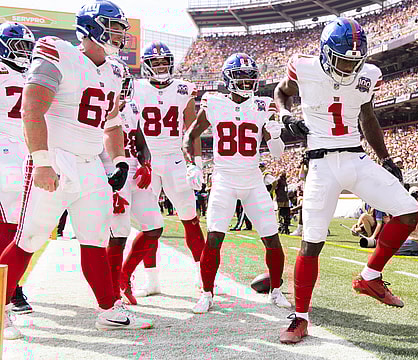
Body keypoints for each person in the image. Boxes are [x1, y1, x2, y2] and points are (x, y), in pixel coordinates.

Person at [0, 0, 153, 340]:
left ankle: (108, 309)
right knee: (29, 237)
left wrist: (119, 161)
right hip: (56, 158)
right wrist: (41, 161)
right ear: (91, 26)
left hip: (89, 164)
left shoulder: (114, 70)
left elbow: (112, 122)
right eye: (112, 25)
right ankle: (0, 308)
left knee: (95, 238)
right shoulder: (57, 52)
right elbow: (31, 109)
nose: (120, 33)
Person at [274, 17, 418, 344]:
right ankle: (300, 318)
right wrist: (286, 117)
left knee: (409, 211)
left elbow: (368, 116)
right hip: (321, 164)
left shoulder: (368, 75)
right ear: (326, 54)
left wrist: (386, 159)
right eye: (342, 59)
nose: (349, 67)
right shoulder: (304, 66)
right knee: (312, 242)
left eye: (355, 61)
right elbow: (281, 93)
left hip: (355, 157)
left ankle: (370, 277)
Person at [183, 52, 291, 313]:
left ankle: (276, 291)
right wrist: (192, 164)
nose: (245, 82)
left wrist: (275, 136)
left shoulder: (263, 105)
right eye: (240, 77)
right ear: (228, 79)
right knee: (214, 239)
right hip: (225, 179)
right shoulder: (214, 103)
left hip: (253, 180)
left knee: (272, 238)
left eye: (249, 78)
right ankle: (207, 293)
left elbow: (276, 152)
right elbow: (190, 136)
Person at [132, 41, 205, 297]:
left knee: (190, 218)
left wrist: (195, 162)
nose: (161, 66)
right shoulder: (135, 88)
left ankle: (202, 275)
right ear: (147, 66)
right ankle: (151, 280)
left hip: (174, 158)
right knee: (148, 222)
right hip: (147, 160)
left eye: (165, 62)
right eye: (156, 62)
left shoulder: (183, 89)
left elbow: (191, 129)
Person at [101, 59, 164, 306]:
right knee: (119, 232)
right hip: (112, 171)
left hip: (135, 172)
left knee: (154, 226)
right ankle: (113, 286)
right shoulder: (98, 105)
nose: (122, 88)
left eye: (124, 83)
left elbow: (140, 141)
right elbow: (94, 148)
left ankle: (124, 275)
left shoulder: (133, 108)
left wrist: (146, 162)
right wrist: (107, 184)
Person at [0, 22, 35, 317]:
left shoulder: (30, 74)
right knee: (12, 221)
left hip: (26, 148)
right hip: (4, 147)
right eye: (19, 46)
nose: (24, 53)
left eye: (27, 47)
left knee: (23, 222)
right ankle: (10, 291)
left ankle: (12, 285)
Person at [395, 187, 418, 256]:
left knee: (393, 250)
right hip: (408, 239)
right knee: (389, 246)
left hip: (417, 240)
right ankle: (416, 251)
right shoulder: (407, 207)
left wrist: (416, 207)